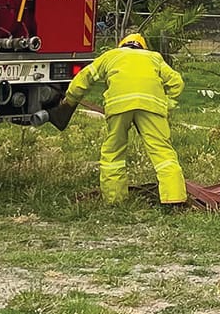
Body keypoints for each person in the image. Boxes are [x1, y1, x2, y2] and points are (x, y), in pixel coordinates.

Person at [62, 32, 186, 207]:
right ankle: (174, 198)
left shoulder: (110, 56)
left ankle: (115, 200)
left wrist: (70, 99)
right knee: (162, 152)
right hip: (151, 107)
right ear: (142, 47)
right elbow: (177, 82)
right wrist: (167, 104)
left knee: (114, 152)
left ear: (121, 45)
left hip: (119, 106)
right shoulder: (154, 57)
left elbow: (84, 77)